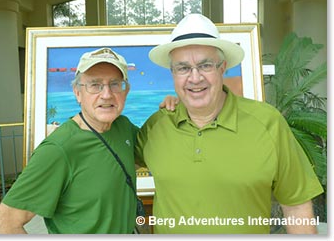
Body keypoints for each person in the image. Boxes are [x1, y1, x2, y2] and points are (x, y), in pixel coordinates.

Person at [135, 14, 324, 234]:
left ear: (222, 68)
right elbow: (113, 154)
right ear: (173, 73)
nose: (195, 78)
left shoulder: (268, 123)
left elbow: (297, 205)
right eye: (183, 68)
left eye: (205, 65)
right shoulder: (156, 126)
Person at [0, 47, 176, 234]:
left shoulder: (122, 127)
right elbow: (1, 227)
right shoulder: (58, 149)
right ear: (77, 93)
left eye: (115, 84)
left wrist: (173, 109)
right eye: (95, 85)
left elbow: (155, 150)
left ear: (126, 91)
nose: (107, 94)